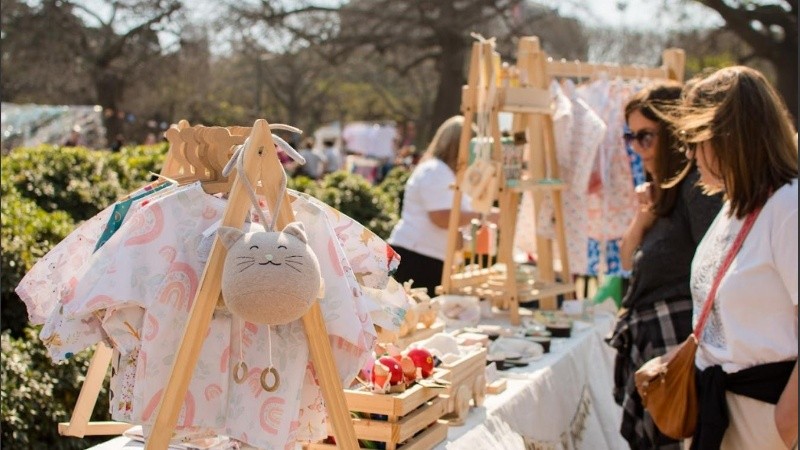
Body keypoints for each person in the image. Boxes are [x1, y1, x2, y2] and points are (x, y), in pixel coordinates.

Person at [675, 66, 797, 450]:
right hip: (716, 410)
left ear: (731, 138)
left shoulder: (788, 207)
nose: (690, 154)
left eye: (697, 140)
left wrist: (783, 425)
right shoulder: (735, 204)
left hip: (762, 415)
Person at [608, 82, 723, 450]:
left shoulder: (695, 187)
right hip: (655, 341)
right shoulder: (661, 188)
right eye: (631, 136)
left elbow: (717, 269)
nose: (637, 148)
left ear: (672, 134)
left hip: (677, 344)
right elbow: (626, 258)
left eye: (646, 136)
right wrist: (645, 214)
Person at [388, 115, 496, 297]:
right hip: (416, 258)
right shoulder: (435, 171)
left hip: (428, 258)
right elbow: (441, 217)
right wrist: (483, 215)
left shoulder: (444, 173)